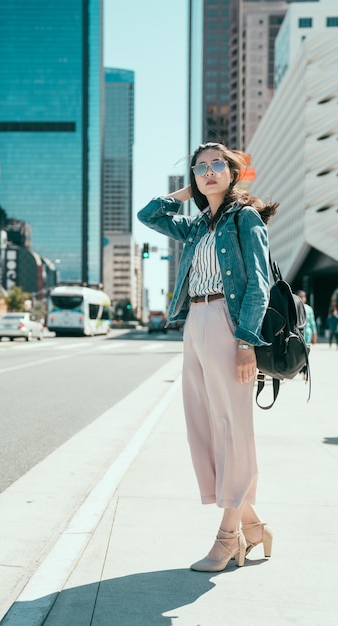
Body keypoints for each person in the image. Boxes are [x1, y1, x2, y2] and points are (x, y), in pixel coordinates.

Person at [138, 142, 278, 572]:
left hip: (227, 323)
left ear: (234, 173)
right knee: (204, 429)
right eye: (201, 167)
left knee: (234, 430)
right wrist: (188, 193)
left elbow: (258, 283)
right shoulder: (198, 225)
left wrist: (245, 340)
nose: (210, 171)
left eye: (219, 164)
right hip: (194, 323)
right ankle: (255, 526)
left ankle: (229, 535)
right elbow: (149, 215)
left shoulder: (245, 219)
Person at [297, 290, 317, 377]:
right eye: (300, 296)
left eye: (303, 296)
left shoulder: (309, 309)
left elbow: (312, 322)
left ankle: (304, 367)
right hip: (298, 333)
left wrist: (314, 335)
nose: (302, 298)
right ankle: (301, 367)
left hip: (307, 334)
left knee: (306, 351)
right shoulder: (295, 306)